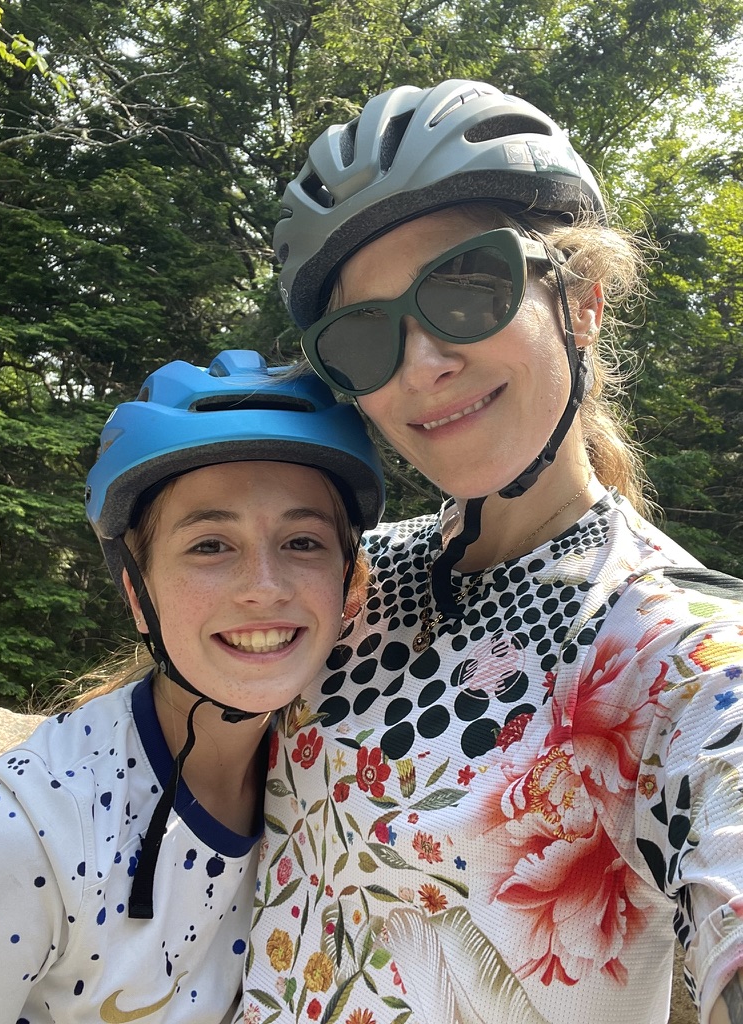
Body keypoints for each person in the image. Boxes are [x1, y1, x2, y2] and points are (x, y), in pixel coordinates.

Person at [239, 81, 743, 1024]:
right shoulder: (344, 577)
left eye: (468, 287)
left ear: (582, 303)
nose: (423, 361)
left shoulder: (672, 649)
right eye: (365, 334)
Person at [0, 348, 384, 1024]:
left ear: (348, 585)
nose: (266, 586)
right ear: (139, 595)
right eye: (210, 545)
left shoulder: (328, 779)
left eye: (304, 542)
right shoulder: (24, 835)